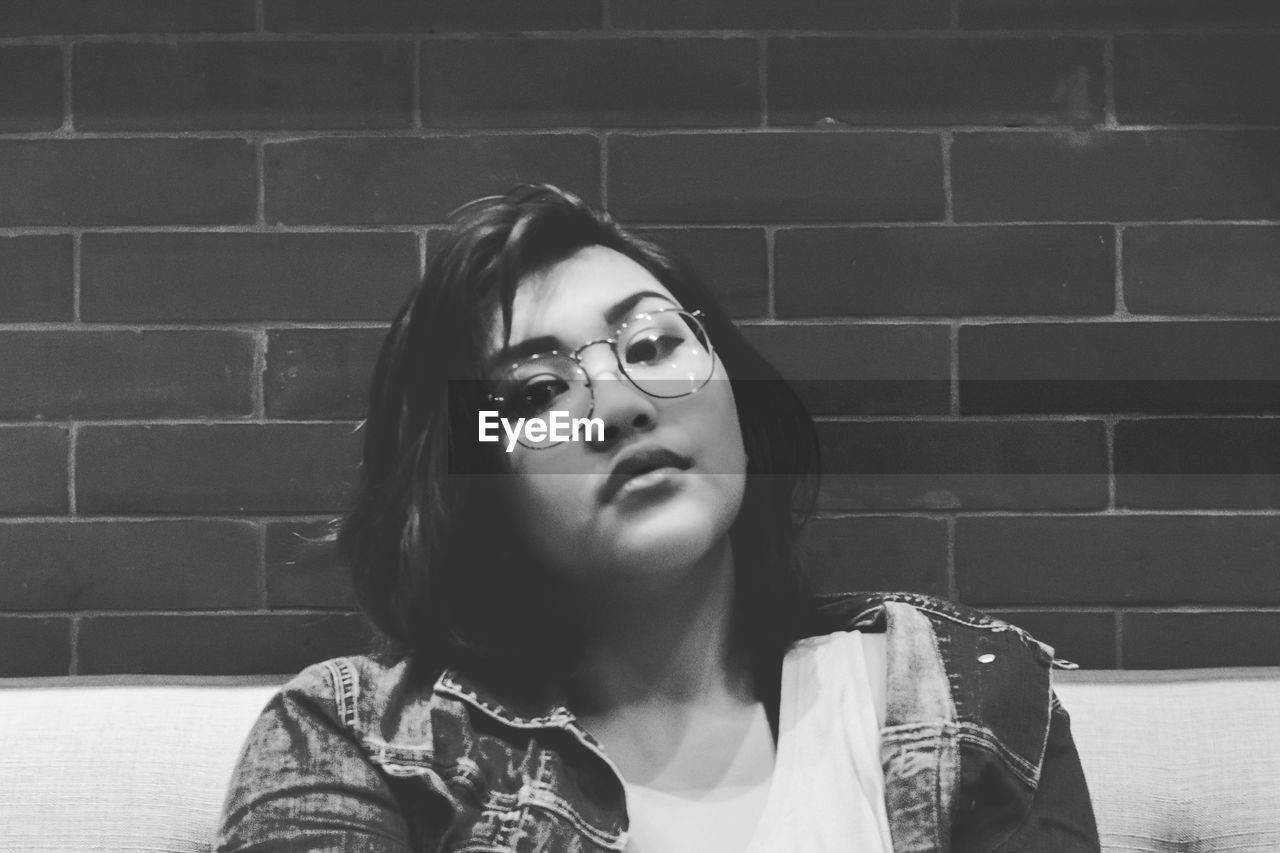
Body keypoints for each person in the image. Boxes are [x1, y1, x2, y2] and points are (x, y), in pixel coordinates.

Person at [216, 184, 1099, 852]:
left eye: (651, 344)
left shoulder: (965, 696)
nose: (620, 405)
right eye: (535, 392)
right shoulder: (359, 741)